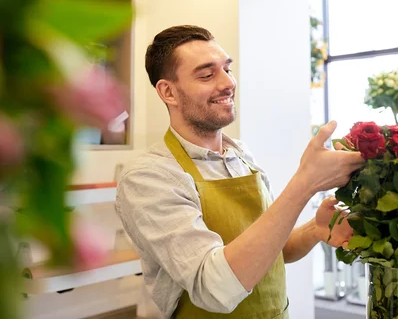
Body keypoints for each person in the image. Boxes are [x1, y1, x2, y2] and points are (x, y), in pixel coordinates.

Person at [115, 25, 364, 319]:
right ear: (168, 91)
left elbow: (269, 251)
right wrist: (305, 183)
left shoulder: (241, 156)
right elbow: (215, 288)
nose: (227, 83)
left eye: (227, 69)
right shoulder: (148, 177)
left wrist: (314, 230)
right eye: (207, 74)